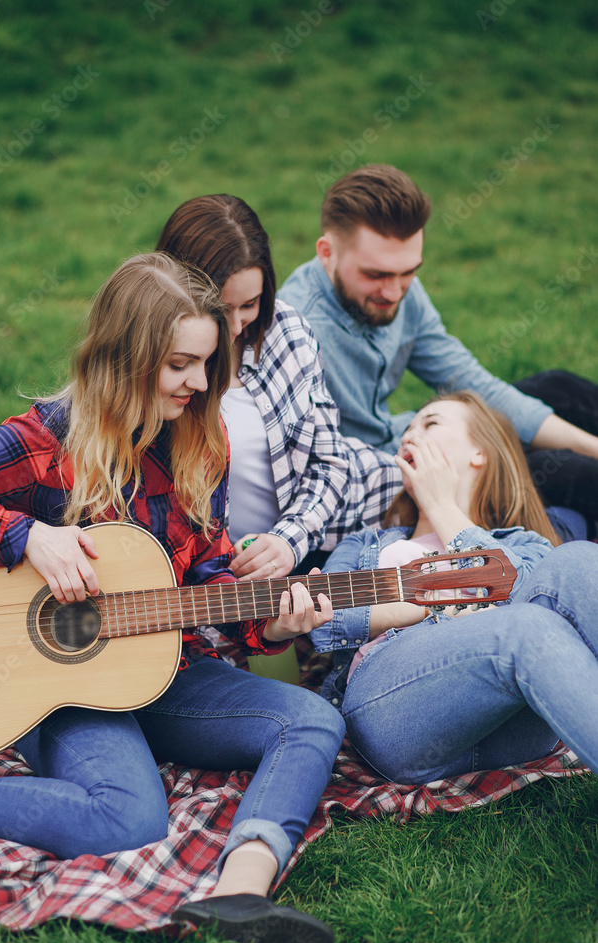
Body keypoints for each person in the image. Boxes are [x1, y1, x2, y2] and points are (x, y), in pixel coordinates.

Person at [0, 252, 346, 943]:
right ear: (124, 355)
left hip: (162, 667)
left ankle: (239, 888)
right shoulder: (44, 443)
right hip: (49, 685)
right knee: (125, 819)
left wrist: (268, 621)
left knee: (311, 720)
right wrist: (25, 536)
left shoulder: (199, 441)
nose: (197, 383)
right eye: (179, 364)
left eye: (207, 364)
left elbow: (207, 576)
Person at [280, 163, 598, 528]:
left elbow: (468, 378)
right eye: (376, 274)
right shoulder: (299, 334)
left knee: (558, 388)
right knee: (563, 471)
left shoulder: (399, 287)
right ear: (326, 252)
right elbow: (316, 469)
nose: (394, 291)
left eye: (408, 271)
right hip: (376, 484)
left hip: (408, 437)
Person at [310, 391, 598, 786]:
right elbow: (326, 617)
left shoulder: (526, 545)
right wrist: (423, 608)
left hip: (515, 727)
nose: (411, 434)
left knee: (581, 558)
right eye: (408, 428)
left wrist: (442, 506)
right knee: (526, 626)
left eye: (430, 424)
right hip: (400, 715)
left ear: (479, 452)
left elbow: (517, 589)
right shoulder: (367, 545)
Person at [156, 194, 402, 581]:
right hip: (235, 571)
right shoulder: (153, 362)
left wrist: (288, 540)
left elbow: (330, 460)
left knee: (486, 477)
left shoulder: (284, 330)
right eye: (220, 309)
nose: (236, 327)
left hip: (345, 521)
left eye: (250, 304)